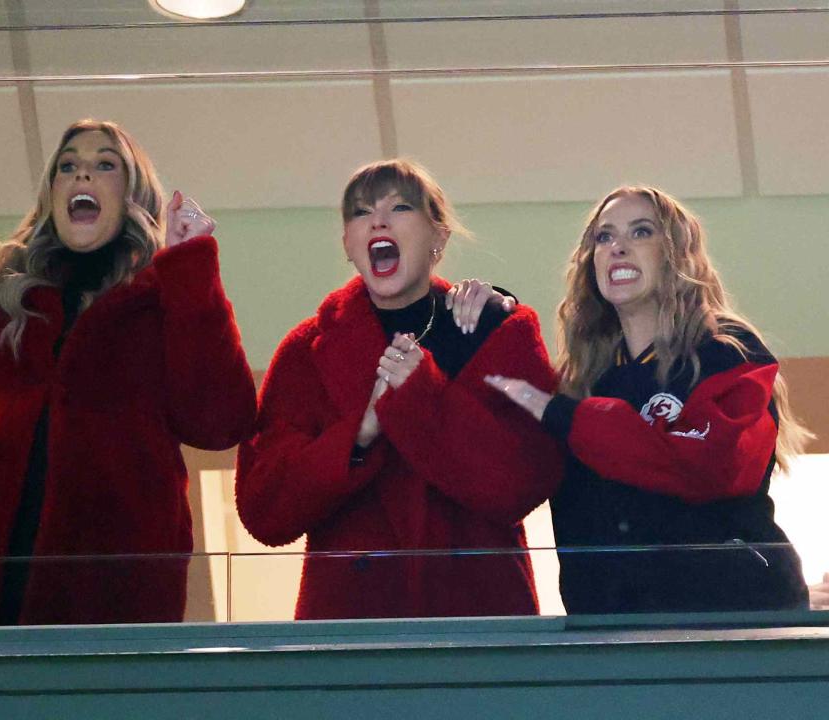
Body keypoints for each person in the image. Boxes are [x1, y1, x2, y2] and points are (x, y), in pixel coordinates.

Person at [0, 36, 256, 625]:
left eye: (106, 165)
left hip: (109, 621)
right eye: (68, 166)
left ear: (132, 198)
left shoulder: (165, 308)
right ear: (52, 194)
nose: (83, 172)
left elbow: (221, 421)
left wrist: (193, 267)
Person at [235, 159, 562, 620]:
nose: (379, 220)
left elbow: (526, 480)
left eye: (400, 207)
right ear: (347, 244)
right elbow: (265, 510)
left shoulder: (500, 332)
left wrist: (419, 397)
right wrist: (359, 434)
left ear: (439, 237)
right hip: (354, 634)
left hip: (481, 625)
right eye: (361, 211)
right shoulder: (305, 351)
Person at [481, 185, 810, 613]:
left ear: (678, 254)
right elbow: (514, 480)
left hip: (732, 623)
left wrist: (569, 416)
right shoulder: (581, 380)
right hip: (611, 635)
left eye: (641, 232)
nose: (618, 247)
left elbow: (710, 469)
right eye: (604, 237)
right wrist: (490, 328)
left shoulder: (729, 352)